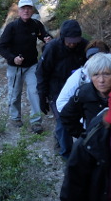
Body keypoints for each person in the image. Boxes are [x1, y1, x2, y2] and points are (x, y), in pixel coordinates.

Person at [0, 0, 52, 132]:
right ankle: (15, 118)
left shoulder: (36, 24)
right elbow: (1, 47)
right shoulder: (12, 27)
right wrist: (13, 58)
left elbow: (44, 35)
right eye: (23, 8)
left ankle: (36, 121)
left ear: (32, 10)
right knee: (15, 94)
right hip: (15, 67)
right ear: (19, 11)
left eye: (28, 8)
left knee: (35, 92)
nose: (26, 11)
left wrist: (47, 39)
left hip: (32, 65)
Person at [36, 19, 88, 158]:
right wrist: (42, 95)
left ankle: (84, 148)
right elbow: (41, 72)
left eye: (75, 40)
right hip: (57, 89)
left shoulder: (84, 46)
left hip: (78, 88)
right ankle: (67, 154)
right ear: (62, 37)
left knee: (83, 119)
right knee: (63, 119)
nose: (72, 44)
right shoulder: (52, 48)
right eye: (69, 40)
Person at [59, 52, 111, 138]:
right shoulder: (84, 93)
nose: (101, 80)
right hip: (95, 147)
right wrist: (85, 137)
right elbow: (67, 117)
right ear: (90, 77)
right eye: (96, 75)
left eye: (106, 74)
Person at [56, 40, 111, 114]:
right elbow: (61, 102)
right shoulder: (79, 75)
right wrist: (81, 117)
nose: (101, 80)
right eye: (92, 58)